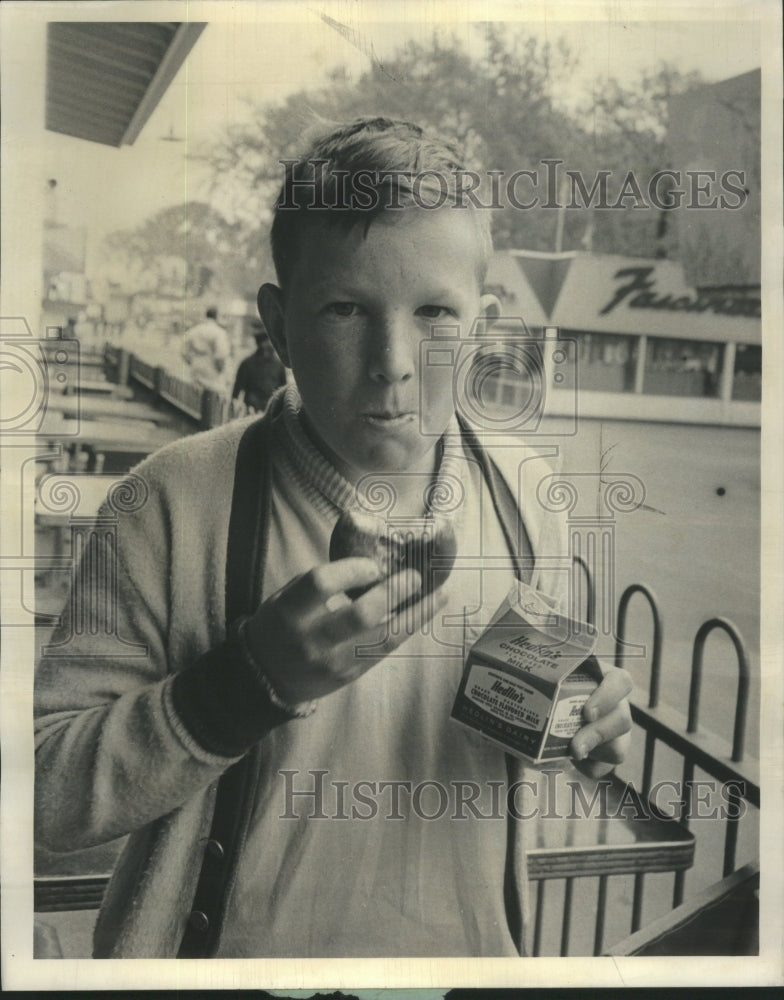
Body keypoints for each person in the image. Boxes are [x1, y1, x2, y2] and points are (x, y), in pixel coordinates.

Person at [34, 117, 632, 959]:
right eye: (346, 308)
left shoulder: (530, 496)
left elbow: (525, 718)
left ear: (484, 323)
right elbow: (42, 795)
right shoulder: (165, 502)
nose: (393, 359)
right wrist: (244, 684)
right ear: (277, 327)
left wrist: (580, 730)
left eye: (435, 312)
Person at [231, 323, 286, 412]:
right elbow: (236, 392)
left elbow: (283, 391)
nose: (270, 345)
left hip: (271, 410)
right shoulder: (247, 364)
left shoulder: (279, 365)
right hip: (251, 410)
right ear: (260, 343)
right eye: (266, 341)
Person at [180, 307, 231, 392]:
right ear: (216, 317)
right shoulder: (219, 332)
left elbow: (184, 351)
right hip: (212, 371)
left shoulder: (195, 330)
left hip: (196, 367)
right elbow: (221, 356)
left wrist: (192, 362)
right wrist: (220, 371)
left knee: (195, 395)